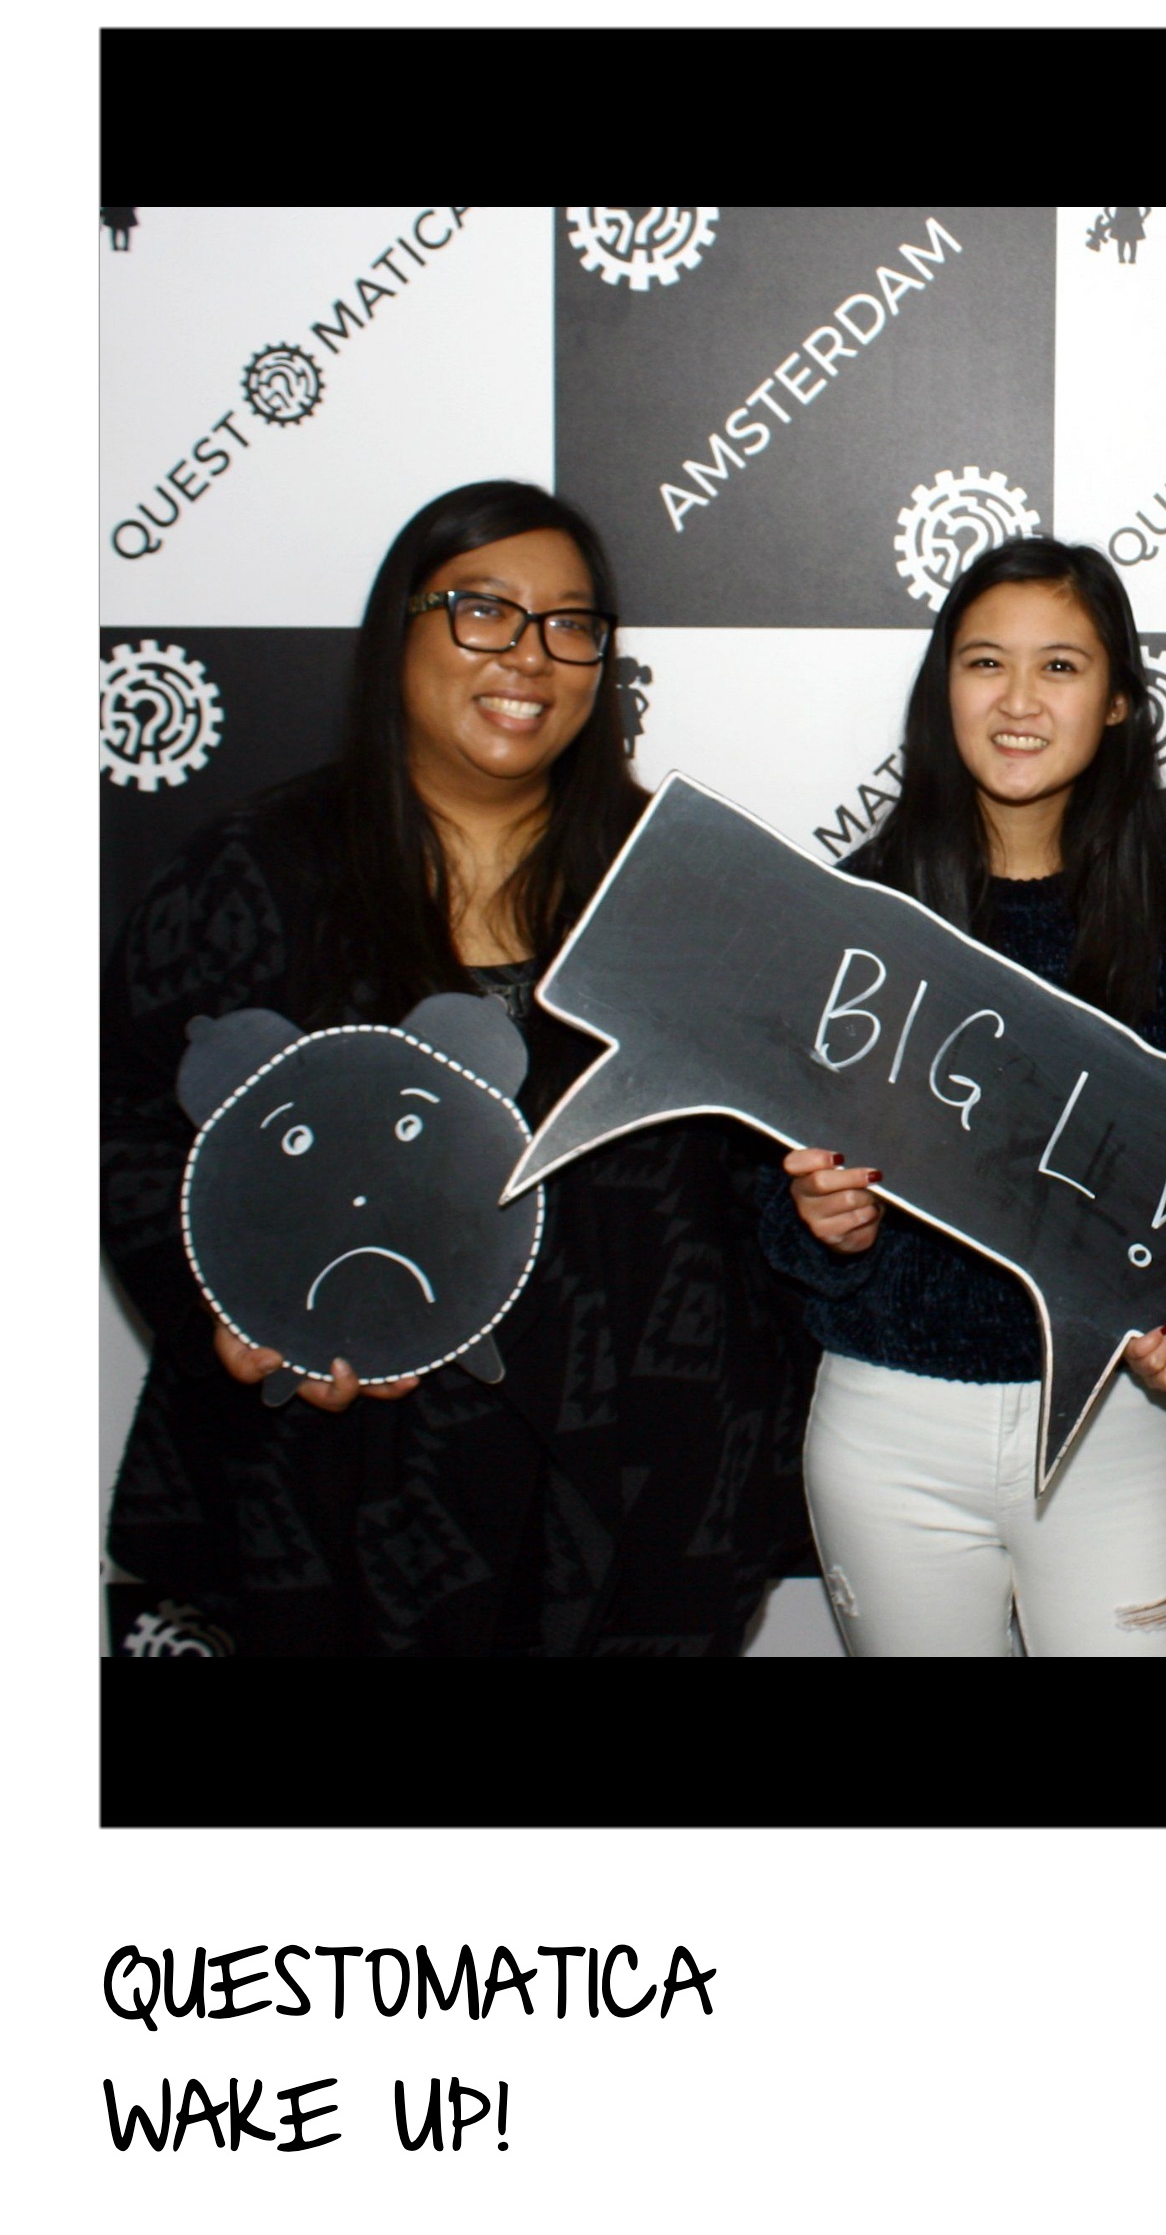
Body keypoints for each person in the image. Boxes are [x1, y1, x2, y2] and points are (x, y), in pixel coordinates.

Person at [103, 480, 812, 1655]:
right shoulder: (251, 877)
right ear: (401, 630)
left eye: (570, 624)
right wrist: (225, 1306)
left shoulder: (682, 891)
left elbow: (762, 1178)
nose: (529, 654)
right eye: (483, 609)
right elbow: (129, 1128)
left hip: (642, 1492)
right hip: (338, 1482)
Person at [762, 537, 1166, 1657]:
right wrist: (817, 1219)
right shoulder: (851, 912)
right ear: (942, 688)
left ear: (1119, 701)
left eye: (1060, 667)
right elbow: (762, 1202)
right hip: (887, 1427)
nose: (1019, 700)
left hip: (1111, 1428)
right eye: (986, 662)